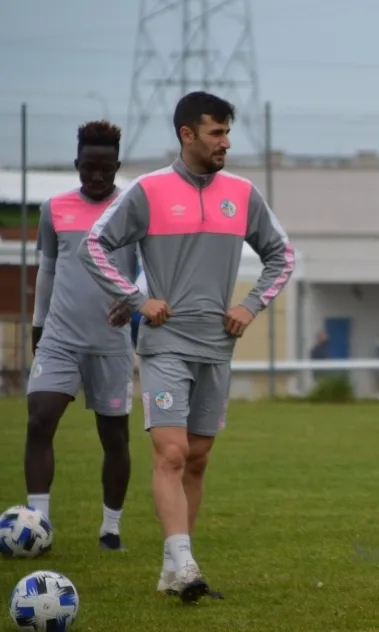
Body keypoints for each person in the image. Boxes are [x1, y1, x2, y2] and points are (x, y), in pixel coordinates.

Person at [78, 91, 296, 604]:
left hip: (216, 347)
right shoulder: (149, 191)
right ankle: (187, 563)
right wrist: (135, 299)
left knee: (197, 458)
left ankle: (172, 568)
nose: (225, 142)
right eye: (216, 133)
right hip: (166, 344)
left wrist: (251, 305)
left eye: (226, 132)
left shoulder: (242, 194)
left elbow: (280, 256)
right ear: (187, 134)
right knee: (171, 452)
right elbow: (95, 246)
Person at [26, 120, 137, 551]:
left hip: (111, 342)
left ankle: (110, 530)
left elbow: (151, 266)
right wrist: (38, 325)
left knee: (114, 438)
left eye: (105, 169)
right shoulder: (54, 209)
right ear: (76, 163)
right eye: (88, 167)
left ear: (116, 166)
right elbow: (49, 270)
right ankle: (39, 528)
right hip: (60, 337)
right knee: (39, 421)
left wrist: (135, 299)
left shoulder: (131, 208)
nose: (95, 176)